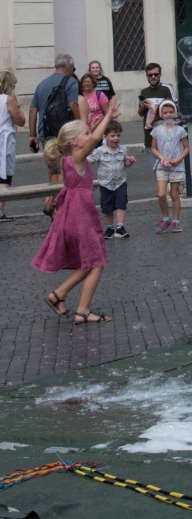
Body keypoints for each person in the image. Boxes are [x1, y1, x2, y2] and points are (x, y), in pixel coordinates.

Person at [31, 96, 121, 324]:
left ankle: (58, 295)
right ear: (73, 142)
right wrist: (108, 116)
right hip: (81, 217)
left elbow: (91, 140)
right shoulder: (77, 158)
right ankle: (83, 310)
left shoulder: (68, 160)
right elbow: (95, 141)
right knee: (97, 263)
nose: (89, 137)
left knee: (86, 263)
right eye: (85, 135)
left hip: (71, 216)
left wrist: (92, 125)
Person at [28, 54, 81, 217]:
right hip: (64, 133)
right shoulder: (71, 81)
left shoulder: (42, 84)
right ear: (69, 66)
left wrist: (33, 135)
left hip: (46, 133)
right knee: (65, 172)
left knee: (53, 170)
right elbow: (72, 104)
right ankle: (56, 207)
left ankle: (51, 204)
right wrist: (80, 125)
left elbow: (32, 110)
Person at [88, 118, 135, 239]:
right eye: (112, 135)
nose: (116, 138)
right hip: (105, 184)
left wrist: (130, 162)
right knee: (107, 208)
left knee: (121, 204)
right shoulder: (100, 151)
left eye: (118, 135)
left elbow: (125, 164)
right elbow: (88, 161)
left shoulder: (123, 150)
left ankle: (120, 227)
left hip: (120, 183)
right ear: (105, 137)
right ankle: (109, 227)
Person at [150, 100, 189, 233]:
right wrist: (161, 158)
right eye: (165, 112)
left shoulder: (180, 130)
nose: (168, 115)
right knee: (161, 194)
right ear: (161, 114)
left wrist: (178, 160)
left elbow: (186, 148)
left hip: (176, 167)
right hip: (161, 166)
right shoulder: (157, 130)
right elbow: (153, 148)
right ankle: (165, 218)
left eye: (171, 112)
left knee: (174, 194)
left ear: (175, 113)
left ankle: (176, 221)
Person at [0, 71, 27, 223]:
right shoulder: (8, 100)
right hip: (3, 140)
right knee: (4, 176)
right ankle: (0, 211)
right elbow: (21, 120)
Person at [138, 63, 176, 152]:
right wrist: (142, 107)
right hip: (149, 135)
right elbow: (140, 113)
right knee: (154, 166)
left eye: (156, 74)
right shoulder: (144, 92)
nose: (153, 77)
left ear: (160, 75)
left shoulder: (166, 89)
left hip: (165, 134)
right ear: (147, 76)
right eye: (150, 75)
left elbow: (174, 109)